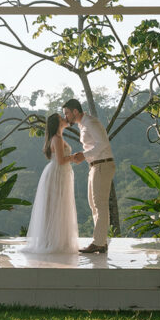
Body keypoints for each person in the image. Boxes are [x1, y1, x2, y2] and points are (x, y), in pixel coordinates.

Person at [20, 113, 79, 254]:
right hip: (57, 173)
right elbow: (61, 160)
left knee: (58, 207)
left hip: (59, 173)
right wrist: (74, 157)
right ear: (58, 123)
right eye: (62, 118)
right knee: (56, 206)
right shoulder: (57, 139)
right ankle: (52, 241)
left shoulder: (58, 137)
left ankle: (55, 239)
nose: (65, 119)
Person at [62, 99, 114, 253]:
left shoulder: (90, 122)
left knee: (100, 205)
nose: (66, 117)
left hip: (102, 164)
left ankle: (98, 242)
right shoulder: (83, 124)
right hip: (95, 166)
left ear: (75, 111)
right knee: (94, 204)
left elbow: (103, 143)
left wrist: (84, 155)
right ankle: (101, 242)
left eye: (67, 113)